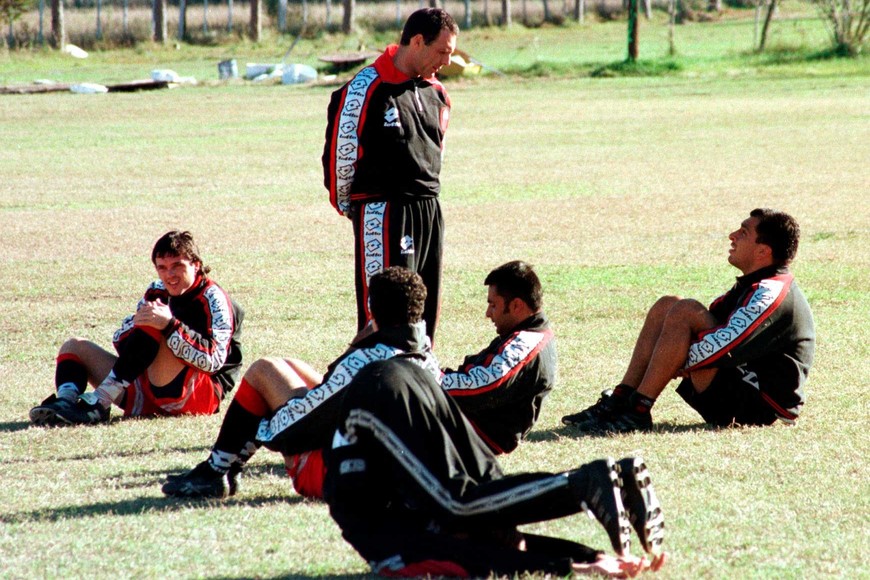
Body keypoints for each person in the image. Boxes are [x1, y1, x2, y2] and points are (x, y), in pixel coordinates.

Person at [325, 357, 666, 577]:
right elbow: (508, 553)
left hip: (373, 400)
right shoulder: (425, 536)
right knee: (475, 496)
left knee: (460, 504)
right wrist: (589, 560)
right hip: (407, 378)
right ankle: (603, 477)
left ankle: (585, 483)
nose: (519, 537)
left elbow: (488, 559)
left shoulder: (406, 544)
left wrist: (574, 566)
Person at [162, 267, 440, 499]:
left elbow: (296, 426)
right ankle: (222, 469)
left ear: (373, 311)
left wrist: (258, 428)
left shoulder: (369, 362)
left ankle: (216, 470)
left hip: (346, 477)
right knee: (290, 366)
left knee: (263, 370)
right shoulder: (426, 356)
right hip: (399, 473)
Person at [562, 208, 815, 433]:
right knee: (668, 305)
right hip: (741, 383)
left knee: (686, 310)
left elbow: (726, 346)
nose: (732, 235)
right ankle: (620, 399)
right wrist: (672, 354)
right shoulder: (757, 283)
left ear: (763, 251)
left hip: (760, 405)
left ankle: (637, 410)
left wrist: (673, 359)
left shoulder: (771, 291)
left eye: (743, 232)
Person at [322, 7, 459, 341]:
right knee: (383, 315)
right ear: (416, 41)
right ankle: (370, 386)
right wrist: (352, 208)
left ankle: (418, 382)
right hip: (382, 212)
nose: (447, 62)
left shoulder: (437, 93)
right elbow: (341, 156)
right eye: (442, 51)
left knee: (423, 313)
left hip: (428, 210)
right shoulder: (364, 89)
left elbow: (435, 150)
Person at [29, 230, 244, 426]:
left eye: (177, 265)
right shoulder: (158, 290)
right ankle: (65, 403)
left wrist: (170, 326)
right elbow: (122, 341)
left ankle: (100, 401)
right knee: (74, 346)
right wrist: (143, 324)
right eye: (162, 267)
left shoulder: (214, 299)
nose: (170, 275)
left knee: (155, 324)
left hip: (197, 397)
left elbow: (213, 362)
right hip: (148, 391)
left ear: (195, 265)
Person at [440, 260, 556, 455]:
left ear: (517, 305)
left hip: (477, 436)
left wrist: (424, 381)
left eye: (493, 305)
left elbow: (483, 387)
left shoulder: (526, 342)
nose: (488, 313)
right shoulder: (529, 334)